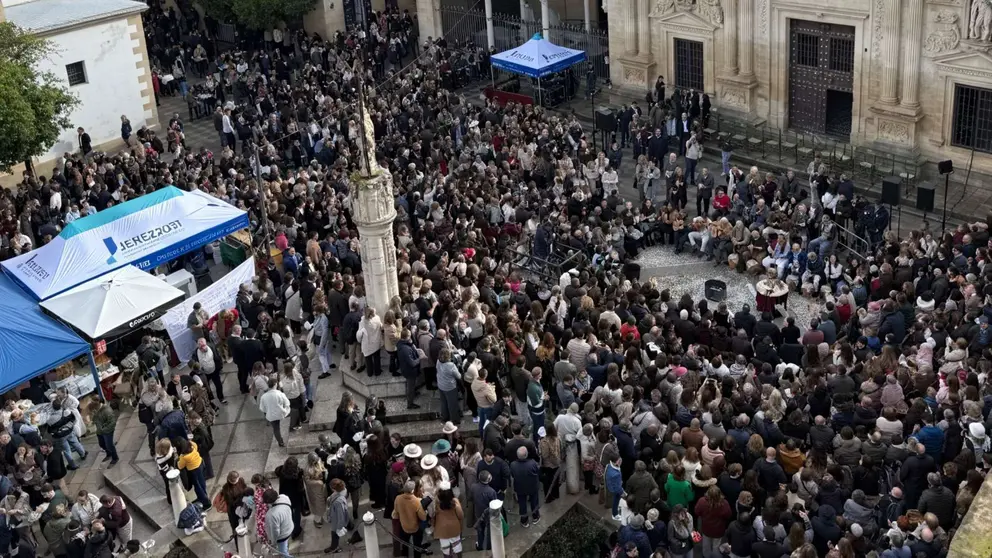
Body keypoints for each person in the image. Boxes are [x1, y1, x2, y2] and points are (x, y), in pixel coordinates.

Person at [176, 438, 211, 510]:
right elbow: (196, 446)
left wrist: (179, 457)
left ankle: (207, 504)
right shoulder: (192, 445)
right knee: (202, 484)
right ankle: (201, 498)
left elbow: (180, 466)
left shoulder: (184, 457)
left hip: (194, 471)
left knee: (198, 487)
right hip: (200, 464)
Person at [259, 377, 291, 447]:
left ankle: (280, 442)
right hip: (280, 413)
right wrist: (285, 409)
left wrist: (267, 411)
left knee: (276, 429)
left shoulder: (263, 397)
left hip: (271, 416)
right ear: (275, 384)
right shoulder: (279, 393)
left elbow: (262, 408)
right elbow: (287, 403)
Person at [324, 478, 351, 554]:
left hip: (336, 522)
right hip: (335, 517)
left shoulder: (338, 502)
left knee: (334, 534)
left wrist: (339, 527)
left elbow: (341, 516)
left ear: (333, 488)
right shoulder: (340, 492)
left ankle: (334, 547)